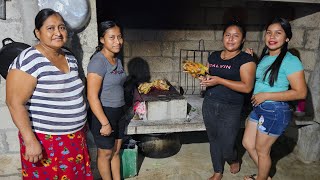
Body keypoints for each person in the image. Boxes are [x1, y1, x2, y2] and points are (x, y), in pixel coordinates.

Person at [6, 8, 93, 179]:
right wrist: (30, 141)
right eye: (50, 28)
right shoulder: (29, 60)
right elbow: (14, 103)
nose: (58, 33)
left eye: (61, 27)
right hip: (46, 141)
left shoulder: (69, 57)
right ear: (38, 33)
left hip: (75, 139)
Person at [242, 17, 307, 180]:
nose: (272, 37)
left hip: (274, 111)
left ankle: (261, 178)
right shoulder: (266, 56)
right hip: (259, 108)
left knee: (262, 150)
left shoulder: (291, 61)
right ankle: (265, 176)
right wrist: (252, 60)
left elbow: (301, 93)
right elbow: (267, 78)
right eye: (269, 33)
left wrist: (266, 95)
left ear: (287, 38)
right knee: (248, 144)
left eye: (278, 33)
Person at [200, 20, 256, 180]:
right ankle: (218, 171)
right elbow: (206, 74)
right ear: (223, 37)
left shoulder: (246, 60)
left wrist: (219, 80)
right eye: (227, 35)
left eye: (236, 36)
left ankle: (233, 158)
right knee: (213, 139)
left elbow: (247, 87)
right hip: (210, 103)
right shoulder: (214, 56)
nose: (231, 39)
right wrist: (203, 79)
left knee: (227, 145)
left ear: (243, 39)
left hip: (231, 107)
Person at [87, 21, 126, 180]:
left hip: (119, 112)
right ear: (102, 39)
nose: (118, 41)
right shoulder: (98, 62)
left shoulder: (117, 60)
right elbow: (92, 96)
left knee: (116, 151)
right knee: (105, 153)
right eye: (112, 38)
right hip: (104, 113)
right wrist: (104, 123)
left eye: (120, 37)